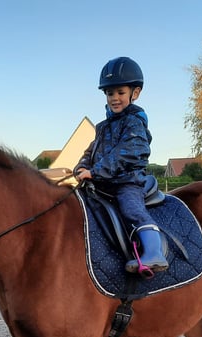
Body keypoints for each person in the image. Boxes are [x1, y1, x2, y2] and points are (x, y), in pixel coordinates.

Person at [74, 56, 169, 276]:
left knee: (130, 208)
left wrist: (95, 171)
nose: (114, 98)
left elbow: (129, 152)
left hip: (127, 182)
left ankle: (154, 252)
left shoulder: (134, 122)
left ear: (134, 94)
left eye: (120, 93)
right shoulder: (103, 127)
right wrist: (82, 167)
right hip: (102, 183)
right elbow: (91, 151)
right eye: (110, 93)